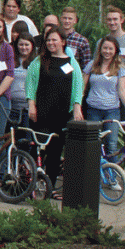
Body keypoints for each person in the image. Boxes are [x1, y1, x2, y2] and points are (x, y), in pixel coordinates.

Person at [27, 28, 84, 192]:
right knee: (38, 150)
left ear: (63, 42)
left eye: (54, 40)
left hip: (61, 115)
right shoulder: (39, 61)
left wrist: (77, 107)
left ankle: (49, 187)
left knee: (55, 152)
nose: (51, 43)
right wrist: (31, 105)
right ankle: (29, 184)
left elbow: (78, 86)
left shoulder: (71, 63)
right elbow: (30, 84)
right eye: (48, 40)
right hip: (41, 114)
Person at [82, 36, 125, 163]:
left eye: (110, 49)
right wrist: (77, 105)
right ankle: (94, 172)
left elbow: (122, 90)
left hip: (112, 111)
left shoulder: (120, 67)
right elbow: (82, 86)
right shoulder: (92, 65)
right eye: (105, 48)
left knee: (111, 144)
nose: (107, 51)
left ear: (115, 50)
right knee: (93, 144)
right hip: (93, 110)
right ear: (100, 49)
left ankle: (112, 173)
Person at [9, 32, 37, 127]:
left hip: (29, 108)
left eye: (26, 45)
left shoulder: (37, 62)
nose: (24, 47)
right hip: (11, 107)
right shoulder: (11, 60)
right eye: (21, 44)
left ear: (32, 46)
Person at [59, 6, 92, 72]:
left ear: (75, 21)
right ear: (61, 19)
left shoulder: (82, 41)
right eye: (65, 18)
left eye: (70, 19)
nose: (67, 21)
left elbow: (86, 66)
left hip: (74, 74)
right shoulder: (55, 37)